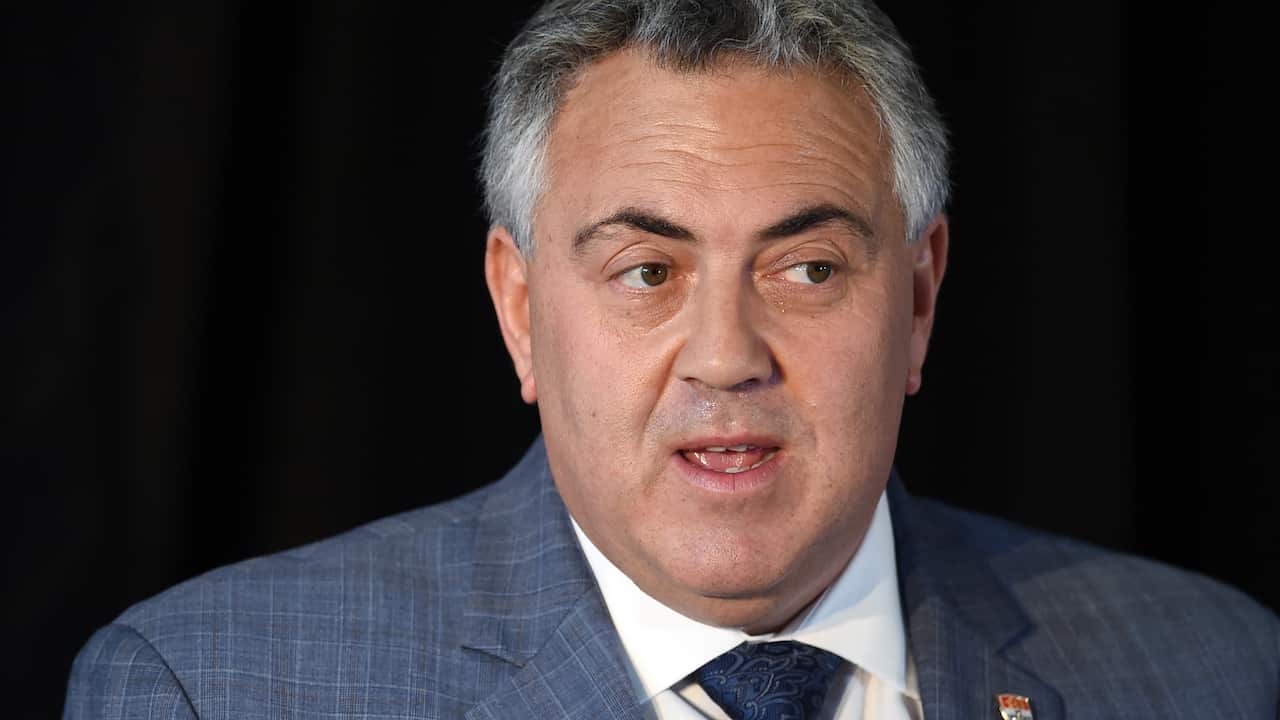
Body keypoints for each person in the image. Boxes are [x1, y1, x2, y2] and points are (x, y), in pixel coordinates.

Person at [64, 1, 1278, 718]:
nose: (725, 356)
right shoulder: (214, 690)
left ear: (914, 300)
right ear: (521, 308)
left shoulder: (1212, 667)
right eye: (647, 271)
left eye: (804, 269)